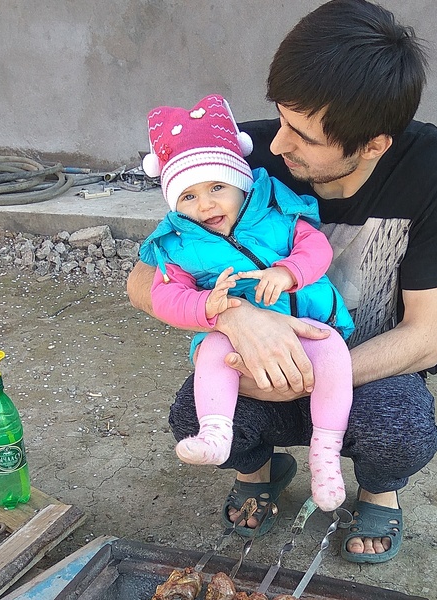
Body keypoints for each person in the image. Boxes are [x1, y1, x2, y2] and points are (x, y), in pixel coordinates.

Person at [127, 0, 437, 563]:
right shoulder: (238, 159)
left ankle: (378, 490)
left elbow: (425, 339)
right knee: (193, 418)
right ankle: (261, 471)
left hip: (363, 374)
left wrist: (308, 377)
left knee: (402, 430)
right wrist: (236, 317)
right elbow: (141, 282)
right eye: (282, 118)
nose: (277, 145)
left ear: (373, 145)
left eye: (303, 135)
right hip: (258, 366)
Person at [139, 93, 355, 520]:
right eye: (188, 196)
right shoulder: (177, 245)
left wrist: (288, 273)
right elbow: (164, 295)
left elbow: (316, 248)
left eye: (217, 188)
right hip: (236, 338)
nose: (205, 205)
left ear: (241, 183)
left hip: (307, 324)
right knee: (212, 353)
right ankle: (216, 433)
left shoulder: (276, 215)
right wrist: (208, 305)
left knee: (334, 353)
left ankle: (326, 453)